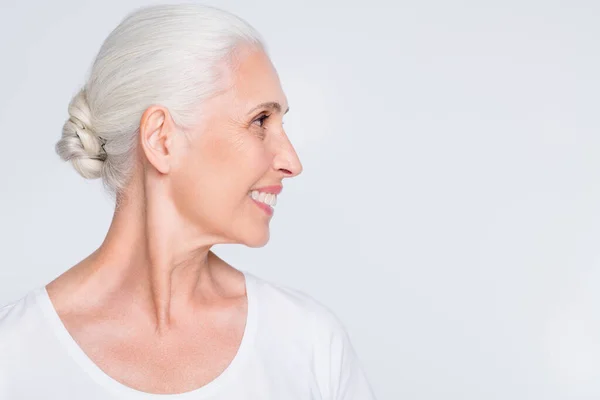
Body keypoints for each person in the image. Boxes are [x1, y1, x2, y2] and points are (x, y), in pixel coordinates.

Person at [0, 4, 377, 400]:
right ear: (161, 138)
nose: (291, 162)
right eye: (260, 121)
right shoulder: (14, 357)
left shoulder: (309, 342)